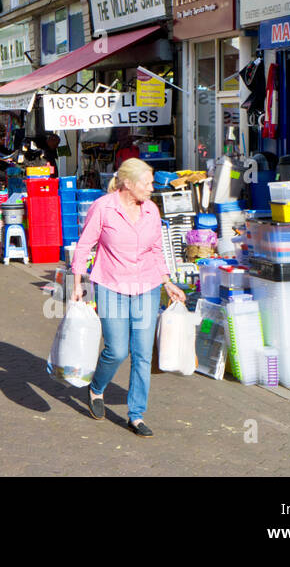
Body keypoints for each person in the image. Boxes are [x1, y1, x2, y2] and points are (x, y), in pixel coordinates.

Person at [71, 158, 186, 438]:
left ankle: (136, 415)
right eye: (147, 183)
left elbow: (156, 250)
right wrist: (77, 283)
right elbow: (85, 245)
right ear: (128, 184)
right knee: (117, 350)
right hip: (111, 285)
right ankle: (96, 388)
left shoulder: (151, 210)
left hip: (146, 286)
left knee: (143, 354)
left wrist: (167, 282)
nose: (151, 188)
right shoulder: (104, 208)